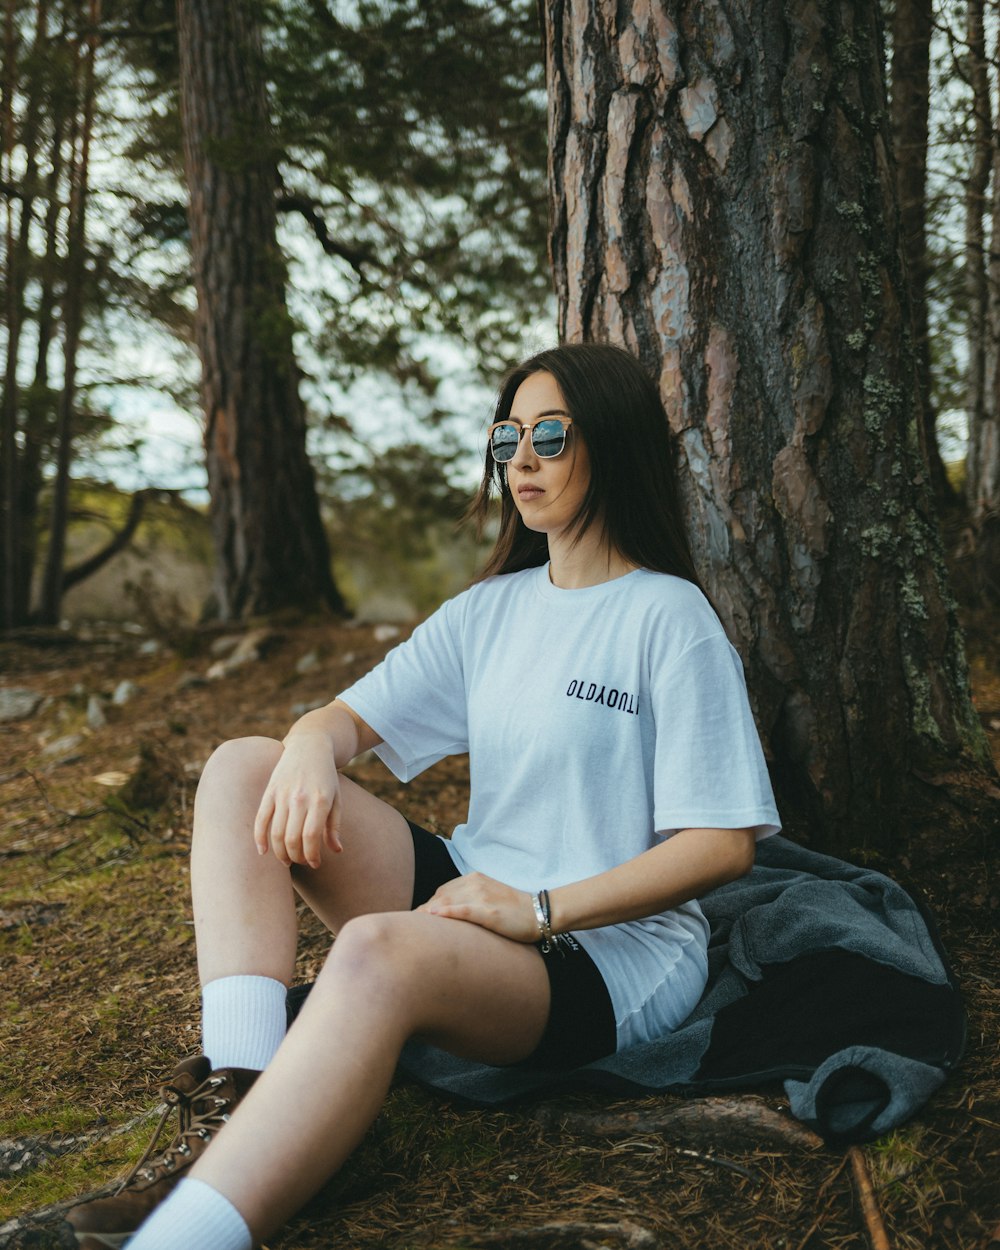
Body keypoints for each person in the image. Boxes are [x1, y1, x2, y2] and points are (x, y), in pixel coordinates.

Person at [67, 343, 780, 1250]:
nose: (522, 459)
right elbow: (340, 718)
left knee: (371, 951)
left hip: (604, 952)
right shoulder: (494, 609)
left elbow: (722, 847)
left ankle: (189, 1237)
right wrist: (309, 742)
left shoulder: (669, 619)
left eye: (552, 436)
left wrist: (538, 908)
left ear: (615, 446)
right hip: (480, 890)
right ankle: (238, 1110)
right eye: (509, 435)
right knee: (242, 765)